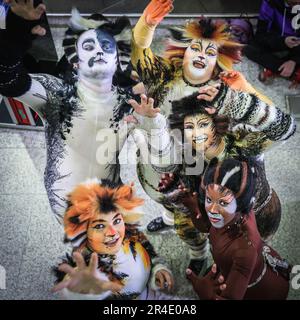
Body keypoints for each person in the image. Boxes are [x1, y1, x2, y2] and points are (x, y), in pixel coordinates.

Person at [131, 0, 273, 273]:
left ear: (217, 61)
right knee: (162, 198)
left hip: (199, 175)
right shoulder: (164, 76)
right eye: (194, 48)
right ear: (183, 55)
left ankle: (199, 254)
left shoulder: (226, 90)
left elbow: (268, 115)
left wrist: (248, 90)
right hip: (159, 162)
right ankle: (167, 216)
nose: (200, 53)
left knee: (190, 224)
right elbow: (140, 55)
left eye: (209, 52)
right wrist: (145, 26)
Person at [0, 1, 143, 221]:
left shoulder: (128, 99)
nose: (98, 50)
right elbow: (8, 80)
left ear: (116, 61)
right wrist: (18, 31)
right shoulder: (56, 95)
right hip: (68, 206)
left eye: (106, 46)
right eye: (88, 47)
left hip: (113, 202)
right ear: (75, 62)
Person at [165, 158, 292, 300]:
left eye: (223, 203)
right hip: (228, 271)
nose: (212, 209)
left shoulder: (245, 249)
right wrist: (192, 207)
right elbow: (207, 228)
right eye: (208, 200)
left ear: (240, 203)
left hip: (256, 291)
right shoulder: (230, 216)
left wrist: (205, 293)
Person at [52, 180, 184, 300]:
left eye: (116, 220)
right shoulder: (87, 263)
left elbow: (149, 252)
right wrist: (79, 291)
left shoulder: (130, 234)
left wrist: (158, 268)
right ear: (82, 231)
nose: (113, 232)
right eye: (99, 226)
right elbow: (77, 280)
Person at [244, 0, 300, 85]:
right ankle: (291, 72)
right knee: (250, 49)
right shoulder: (270, 2)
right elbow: (261, 35)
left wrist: (294, 60)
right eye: (293, 3)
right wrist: (283, 41)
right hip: (278, 42)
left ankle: (278, 69)